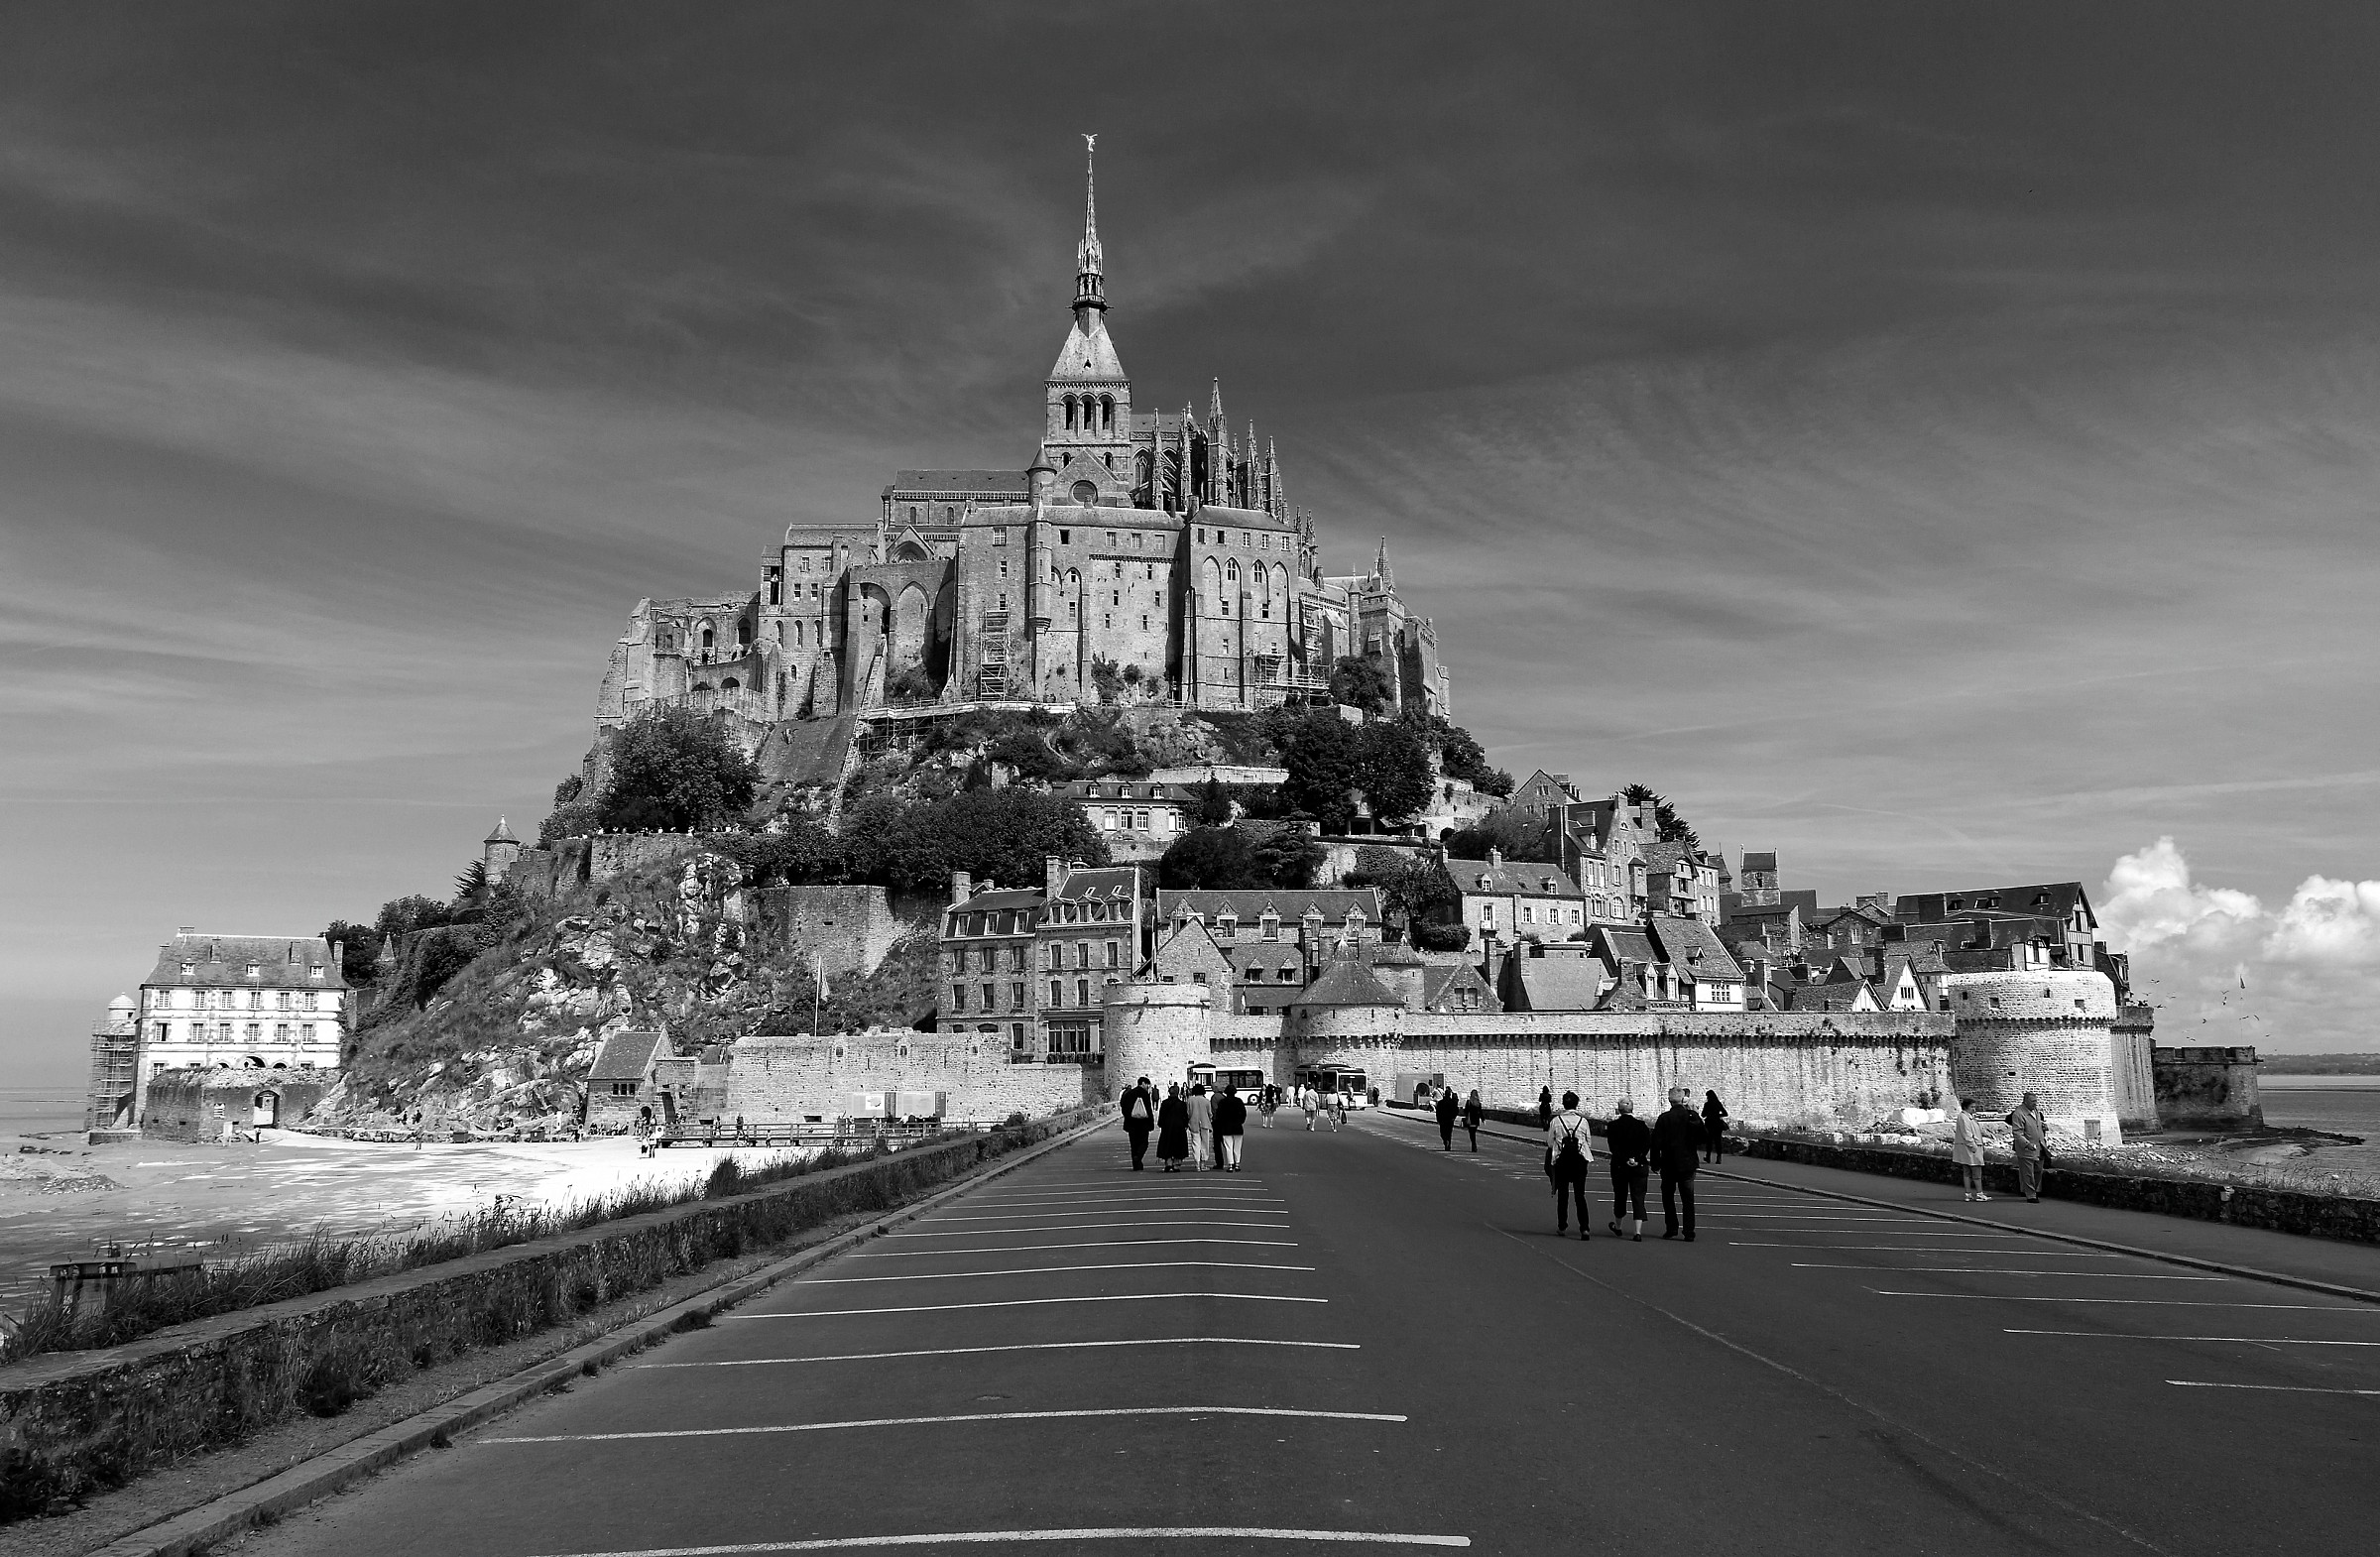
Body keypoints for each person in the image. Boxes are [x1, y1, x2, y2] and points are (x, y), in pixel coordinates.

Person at [1650, 1087, 1706, 1241]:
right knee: (1688, 1199)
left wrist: (1655, 1163)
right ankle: (1689, 1231)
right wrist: (1695, 1114)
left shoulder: (1664, 1118)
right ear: (1683, 1100)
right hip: (1687, 1162)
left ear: (1669, 1100)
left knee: (1668, 1197)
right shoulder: (1691, 1116)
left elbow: (1656, 1142)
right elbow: (1703, 1137)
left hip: (1668, 1162)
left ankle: (1671, 1227)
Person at [1545, 1091, 1594, 1237]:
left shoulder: (1556, 1121)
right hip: (1579, 1160)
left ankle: (1562, 1226)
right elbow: (1588, 1143)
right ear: (1576, 1104)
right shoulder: (1583, 1122)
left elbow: (1549, 1143)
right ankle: (1584, 1227)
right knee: (1580, 1195)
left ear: (1564, 1104)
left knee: (1563, 1195)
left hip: (1562, 1160)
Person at [1604, 1097, 1650, 1241]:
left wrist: (1625, 1159)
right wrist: (1636, 1158)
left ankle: (1618, 1227)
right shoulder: (1642, 1125)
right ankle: (1638, 1232)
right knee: (1638, 1197)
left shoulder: (1613, 1126)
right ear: (1632, 1109)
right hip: (1639, 1165)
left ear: (1619, 1109)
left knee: (1620, 1195)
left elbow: (1613, 1148)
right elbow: (1646, 1145)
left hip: (1620, 1165)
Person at [2008, 1091, 2048, 1202]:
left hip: (2039, 1147)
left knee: (2038, 1170)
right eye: (2032, 1101)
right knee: (2027, 1172)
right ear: (2025, 1101)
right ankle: (2031, 1195)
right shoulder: (2019, 1113)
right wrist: (2027, 1144)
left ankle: (2032, 1191)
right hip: (2026, 1148)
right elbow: (2017, 1133)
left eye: (2036, 1101)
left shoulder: (2036, 1111)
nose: (2035, 1103)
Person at [1953, 1095, 1989, 1201]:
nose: (1974, 1109)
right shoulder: (1964, 1117)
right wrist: (1974, 1147)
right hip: (1971, 1148)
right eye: (1972, 1107)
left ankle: (1968, 1194)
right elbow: (1967, 1134)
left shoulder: (1966, 1117)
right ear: (1966, 1107)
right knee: (1976, 1171)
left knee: (1967, 1172)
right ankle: (1979, 1193)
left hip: (1967, 1147)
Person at [1120, 1076, 1155, 1171]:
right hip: (1143, 1123)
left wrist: (1128, 1117)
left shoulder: (1129, 1093)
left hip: (1131, 1123)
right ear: (1143, 1083)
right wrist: (1151, 1123)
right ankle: (1138, 1157)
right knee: (1144, 1143)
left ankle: (1136, 1164)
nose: (1148, 1086)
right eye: (1147, 1084)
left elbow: (1123, 1106)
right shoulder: (1145, 1094)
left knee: (1133, 1144)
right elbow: (1149, 1109)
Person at [1155, 1083, 1190, 1172]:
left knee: (1167, 1145)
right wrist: (1186, 1125)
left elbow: (1161, 1115)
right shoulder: (1182, 1104)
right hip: (1179, 1127)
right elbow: (1185, 1116)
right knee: (1178, 1145)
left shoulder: (1165, 1103)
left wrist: (1161, 1124)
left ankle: (1168, 1162)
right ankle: (1176, 1164)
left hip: (1167, 1127)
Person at [1215, 1083, 1248, 1171]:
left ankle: (1230, 1164)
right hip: (1237, 1126)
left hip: (1226, 1127)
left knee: (1228, 1147)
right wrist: (1240, 1122)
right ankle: (1237, 1164)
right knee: (1237, 1147)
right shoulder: (1239, 1101)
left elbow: (1219, 1115)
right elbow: (1244, 1113)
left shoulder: (1222, 1102)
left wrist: (1221, 1124)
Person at [1186, 1082, 1214, 1172]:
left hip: (1194, 1123)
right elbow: (1210, 1113)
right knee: (1204, 1144)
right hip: (1205, 1123)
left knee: (1195, 1144)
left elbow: (1188, 1112)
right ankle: (1203, 1163)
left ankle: (1197, 1164)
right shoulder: (1206, 1101)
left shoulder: (1190, 1100)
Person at [1700, 1090, 1729, 1164]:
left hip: (1709, 1124)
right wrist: (1718, 1115)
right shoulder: (1718, 1103)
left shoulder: (1707, 1104)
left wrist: (1709, 1114)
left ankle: (1708, 1157)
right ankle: (1719, 1158)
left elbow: (1703, 1114)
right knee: (1718, 1141)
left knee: (1709, 1141)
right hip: (1718, 1124)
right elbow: (1725, 1113)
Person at [1435, 1085, 1460, 1150]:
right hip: (1450, 1120)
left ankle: (1446, 1142)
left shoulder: (1441, 1102)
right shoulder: (1452, 1102)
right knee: (1449, 1132)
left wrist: (1438, 1119)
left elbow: (1438, 1111)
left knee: (1443, 1132)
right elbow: (1456, 1110)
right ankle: (1448, 1143)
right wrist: (1454, 1117)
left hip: (1443, 1120)